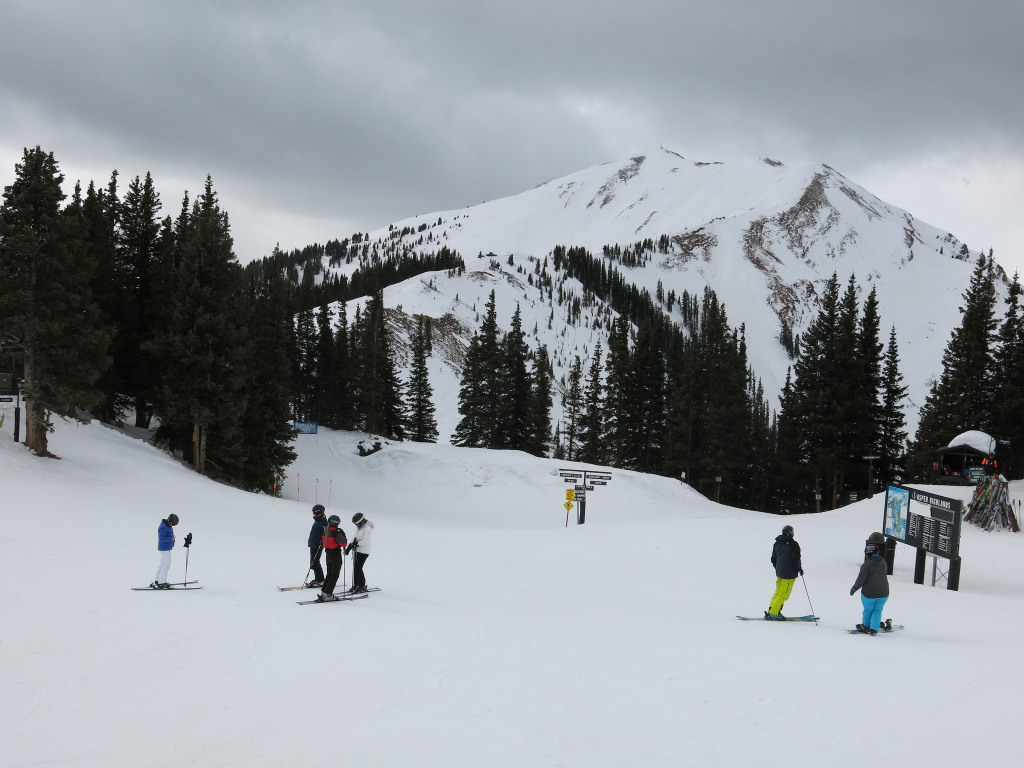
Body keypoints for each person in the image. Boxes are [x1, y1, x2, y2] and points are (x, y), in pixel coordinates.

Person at [850, 531, 889, 635]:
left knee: (868, 610)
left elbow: (860, 579)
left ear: (868, 554)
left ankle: (866, 626)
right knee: (877, 610)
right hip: (884, 593)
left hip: (869, 594)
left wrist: (854, 589)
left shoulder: (866, 565)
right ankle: (874, 629)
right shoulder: (883, 563)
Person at [766, 524, 803, 620]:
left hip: (780, 573)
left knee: (778, 592)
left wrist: (779, 568)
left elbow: (773, 559)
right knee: (784, 594)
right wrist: (799, 568)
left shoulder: (777, 543)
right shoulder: (793, 544)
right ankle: (774, 613)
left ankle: (772, 610)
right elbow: (796, 559)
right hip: (789, 574)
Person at [317, 514, 348, 602]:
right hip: (336, 556)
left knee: (329, 574)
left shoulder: (325, 531)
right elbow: (344, 544)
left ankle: (324, 592)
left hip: (328, 555)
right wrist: (343, 535)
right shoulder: (336, 533)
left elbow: (323, 543)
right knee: (334, 575)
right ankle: (328, 594)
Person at [346, 512, 374, 593]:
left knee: (358, 568)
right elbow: (355, 537)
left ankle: (361, 585)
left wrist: (357, 544)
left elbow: (366, 541)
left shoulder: (367, 528)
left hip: (364, 551)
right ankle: (356, 584)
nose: (356, 525)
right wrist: (350, 546)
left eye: (356, 523)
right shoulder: (359, 527)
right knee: (355, 568)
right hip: (357, 550)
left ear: (361, 521)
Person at [150, 514, 179, 589]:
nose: (173, 526)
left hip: (166, 548)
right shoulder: (163, 527)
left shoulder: (167, 525)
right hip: (164, 548)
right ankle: (162, 583)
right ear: (170, 521)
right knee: (166, 565)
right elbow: (162, 538)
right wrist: (171, 539)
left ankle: (157, 580)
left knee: (162, 565)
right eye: (173, 524)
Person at [308, 504, 328, 588]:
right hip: (313, 544)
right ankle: (318, 578)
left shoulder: (324, 522)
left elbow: (327, 535)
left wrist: (322, 541)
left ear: (318, 512)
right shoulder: (318, 520)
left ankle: (320, 580)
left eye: (314, 513)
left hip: (318, 545)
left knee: (315, 562)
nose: (313, 514)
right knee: (313, 563)